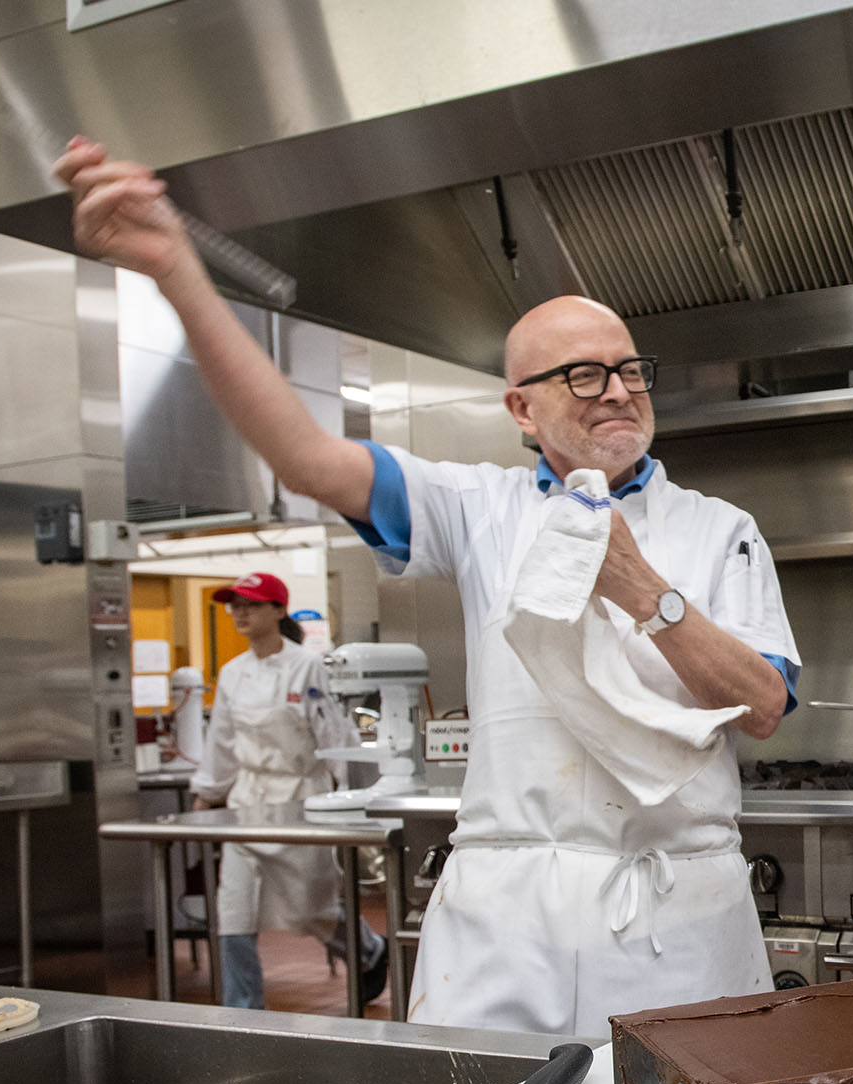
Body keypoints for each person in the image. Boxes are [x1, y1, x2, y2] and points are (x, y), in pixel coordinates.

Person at [57, 137, 799, 1035]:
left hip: (676, 915)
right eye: (582, 375)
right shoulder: (474, 508)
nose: (617, 392)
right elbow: (304, 454)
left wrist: (648, 592)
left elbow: (762, 704)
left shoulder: (721, 529)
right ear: (521, 409)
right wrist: (178, 272)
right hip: (506, 917)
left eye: (629, 370)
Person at [191, 571, 387, 1009]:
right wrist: (206, 793)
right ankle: (243, 1014)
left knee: (308, 909)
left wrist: (354, 799)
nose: (240, 612)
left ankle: (371, 950)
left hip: (301, 801)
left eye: (251, 604)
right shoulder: (232, 672)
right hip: (247, 805)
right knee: (234, 913)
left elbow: (334, 738)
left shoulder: (307, 666)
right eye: (235, 605)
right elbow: (221, 742)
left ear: (278, 610)